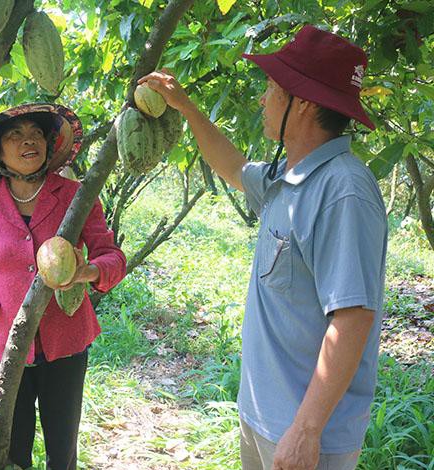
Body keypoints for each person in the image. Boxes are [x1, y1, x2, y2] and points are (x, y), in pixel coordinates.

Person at [140, 25, 387, 470]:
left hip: (306, 436)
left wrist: (306, 431)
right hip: (265, 417)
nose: (262, 99)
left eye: (272, 88)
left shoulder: (342, 190)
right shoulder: (288, 180)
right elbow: (233, 166)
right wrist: (186, 107)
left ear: (304, 102)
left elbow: (352, 320)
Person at [0, 103, 126, 470]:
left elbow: (112, 257)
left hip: (65, 338)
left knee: (62, 449)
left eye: (36, 134)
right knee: (12, 449)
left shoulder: (76, 194)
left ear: (48, 144)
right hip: (1, 342)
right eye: (15, 135)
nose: (28, 141)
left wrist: (88, 271)